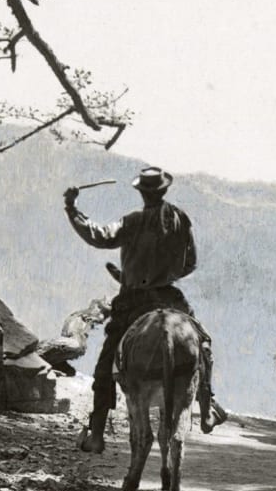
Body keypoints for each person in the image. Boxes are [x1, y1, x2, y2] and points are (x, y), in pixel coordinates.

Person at [64, 167, 219, 453]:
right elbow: (191, 263)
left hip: (133, 300)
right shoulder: (180, 219)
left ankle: (97, 432)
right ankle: (208, 404)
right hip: (169, 297)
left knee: (105, 366)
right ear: (164, 191)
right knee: (203, 341)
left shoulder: (132, 222)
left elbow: (99, 236)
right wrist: (166, 274)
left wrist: (72, 209)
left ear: (141, 192)